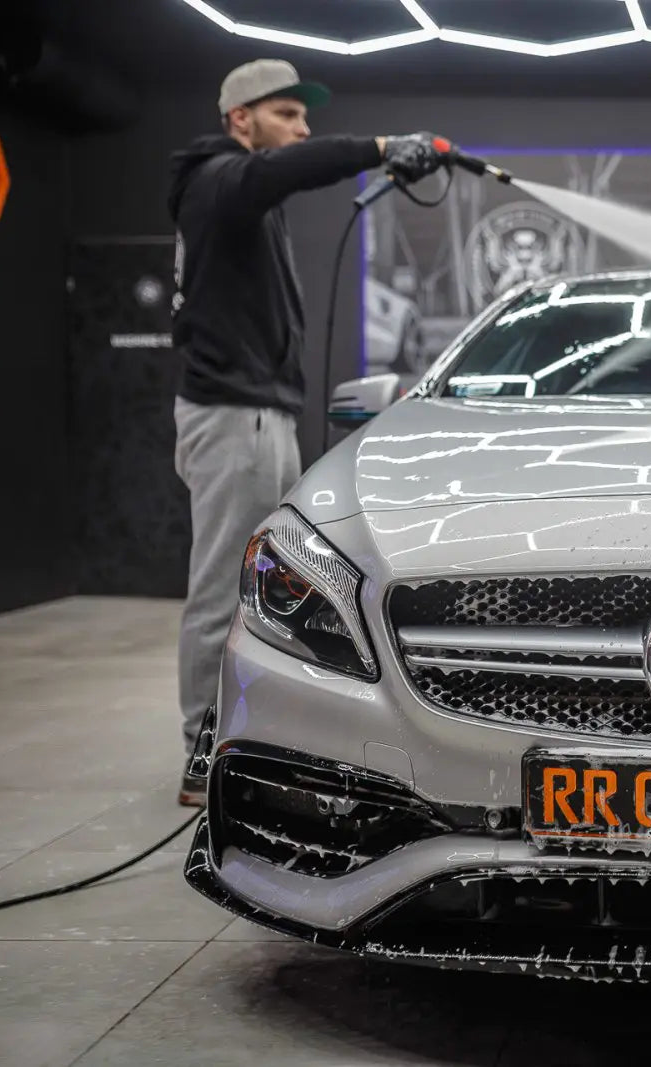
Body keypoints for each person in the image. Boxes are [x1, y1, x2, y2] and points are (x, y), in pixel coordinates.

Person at [167, 58, 443, 805]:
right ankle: (203, 749)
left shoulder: (239, 196)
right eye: (285, 114)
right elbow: (281, 170)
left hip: (256, 411)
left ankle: (245, 738)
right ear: (240, 119)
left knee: (260, 588)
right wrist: (380, 148)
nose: (301, 127)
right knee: (224, 590)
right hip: (235, 414)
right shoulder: (219, 180)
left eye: (302, 115)